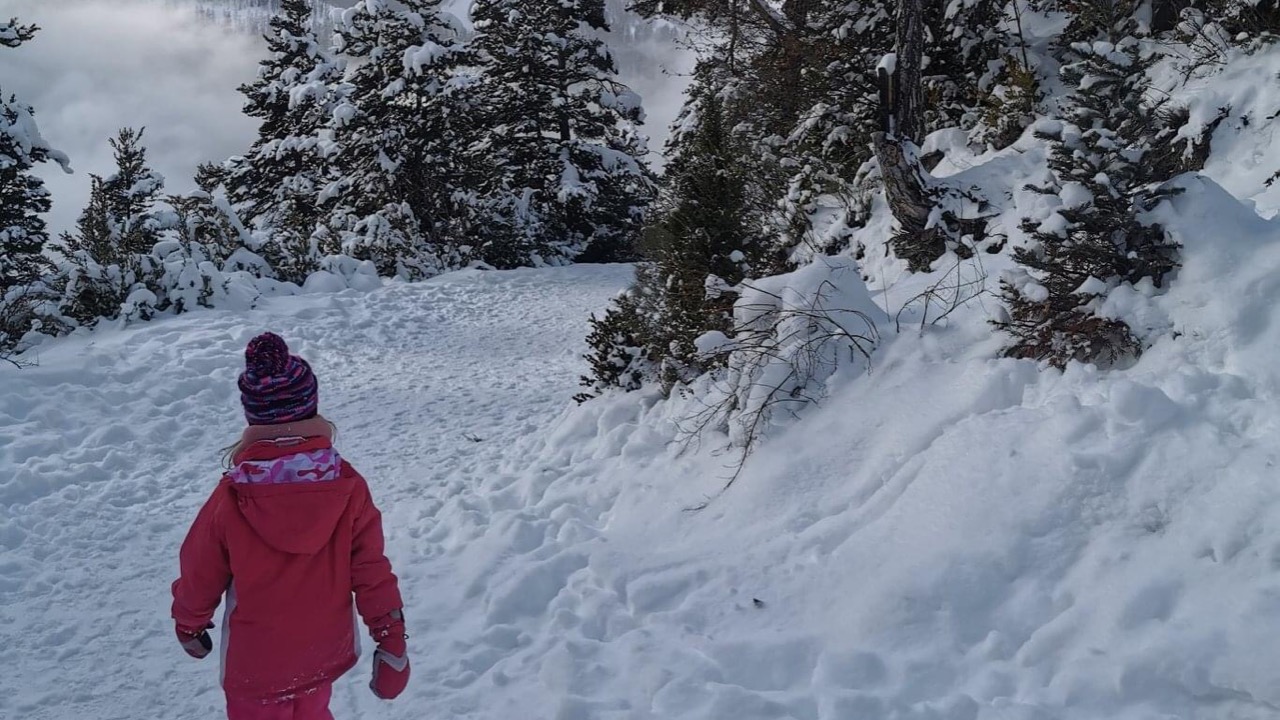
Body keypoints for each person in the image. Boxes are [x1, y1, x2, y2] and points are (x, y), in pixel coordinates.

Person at [172, 332, 409, 719]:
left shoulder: (232, 497)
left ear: (253, 418)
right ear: (311, 408)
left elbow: (200, 570)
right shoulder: (346, 485)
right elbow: (371, 569)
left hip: (257, 666)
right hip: (321, 654)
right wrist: (391, 637)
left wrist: (189, 623)